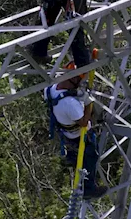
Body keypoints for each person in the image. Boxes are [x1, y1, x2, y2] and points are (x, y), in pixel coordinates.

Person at [44, 62, 108, 199]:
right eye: (79, 80)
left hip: (65, 131)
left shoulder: (51, 89)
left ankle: (72, 157)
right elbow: (84, 122)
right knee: (90, 158)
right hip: (78, 134)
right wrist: (88, 103)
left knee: (77, 153)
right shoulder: (70, 104)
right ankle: (89, 189)